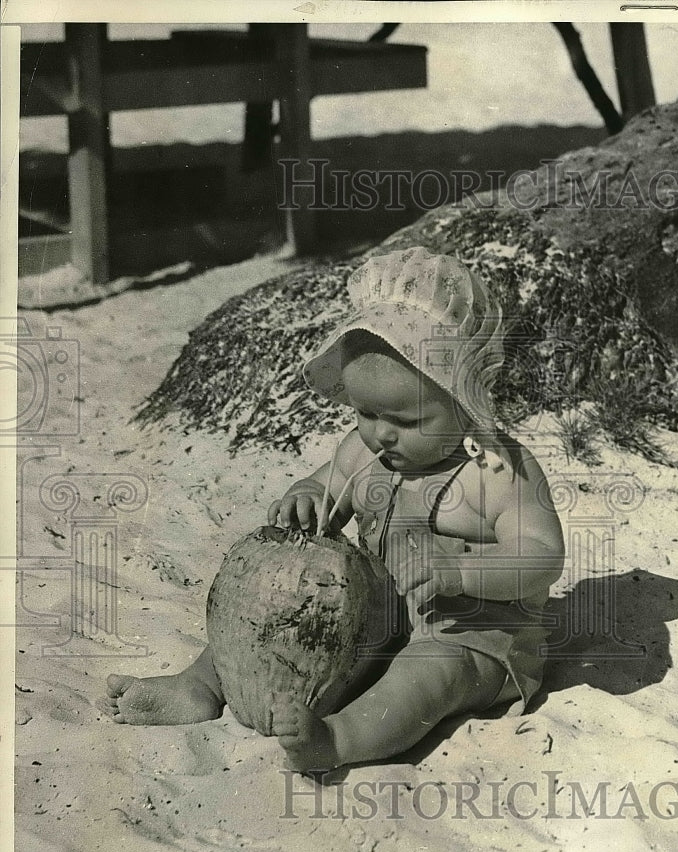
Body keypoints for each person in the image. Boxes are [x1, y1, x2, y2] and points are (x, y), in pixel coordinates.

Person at [101, 247, 565, 772]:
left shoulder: (498, 473)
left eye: (407, 420)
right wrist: (307, 497)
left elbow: (544, 555)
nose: (381, 433)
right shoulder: (365, 452)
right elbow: (326, 485)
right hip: (378, 614)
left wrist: (460, 571)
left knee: (427, 676)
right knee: (272, 617)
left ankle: (338, 740)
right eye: (366, 412)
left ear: (465, 400)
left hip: (472, 636)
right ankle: (202, 684)